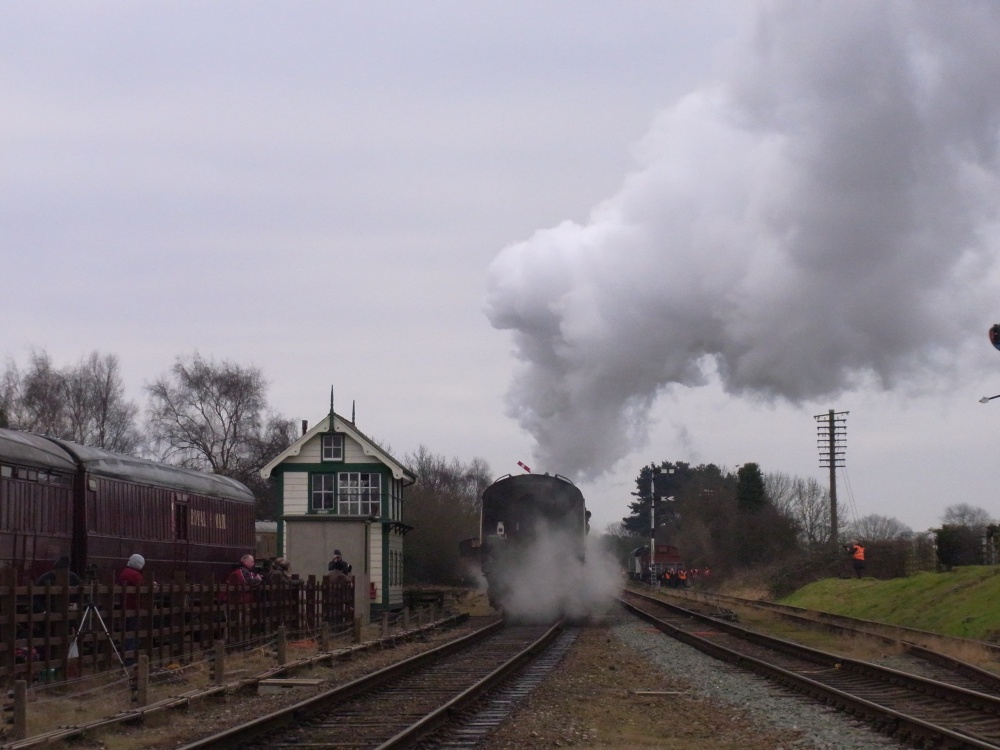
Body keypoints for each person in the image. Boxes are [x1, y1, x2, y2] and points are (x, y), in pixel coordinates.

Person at [117, 554, 145, 662]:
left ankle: (127, 657)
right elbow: (142, 584)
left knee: (127, 633)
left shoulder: (124, 572)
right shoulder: (134, 575)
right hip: (133, 607)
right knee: (133, 634)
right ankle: (130, 660)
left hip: (125, 606)